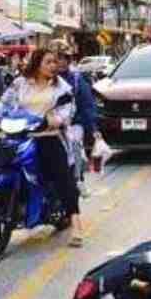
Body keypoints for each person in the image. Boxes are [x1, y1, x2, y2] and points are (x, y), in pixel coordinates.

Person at [0, 47, 86, 247]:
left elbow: (68, 109)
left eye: (55, 62)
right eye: (48, 62)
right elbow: (5, 102)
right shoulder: (20, 83)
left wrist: (57, 119)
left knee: (63, 178)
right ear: (37, 63)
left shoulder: (61, 87)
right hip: (20, 134)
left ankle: (76, 223)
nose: (53, 66)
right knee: (2, 164)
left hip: (48, 136)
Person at [51, 40, 98, 198]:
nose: (61, 61)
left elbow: (87, 107)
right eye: (57, 58)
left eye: (65, 57)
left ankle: (78, 179)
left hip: (71, 124)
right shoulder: (38, 78)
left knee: (74, 141)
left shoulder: (77, 79)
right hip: (43, 125)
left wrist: (91, 130)